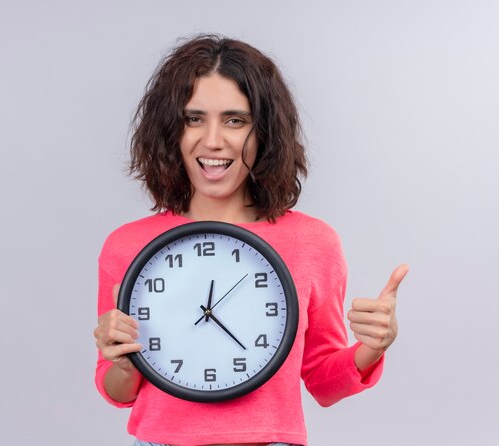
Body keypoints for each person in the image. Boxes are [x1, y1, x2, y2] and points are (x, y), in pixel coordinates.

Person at [93, 34, 408, 446]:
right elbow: (118, 390)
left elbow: (323, 383)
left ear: (264, 133)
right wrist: (122, 362)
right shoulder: (127, 246)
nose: (213, 140)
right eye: (194, 118)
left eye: (234, 120)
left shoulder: (313, 242)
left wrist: (372, 347)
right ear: (171, 130)